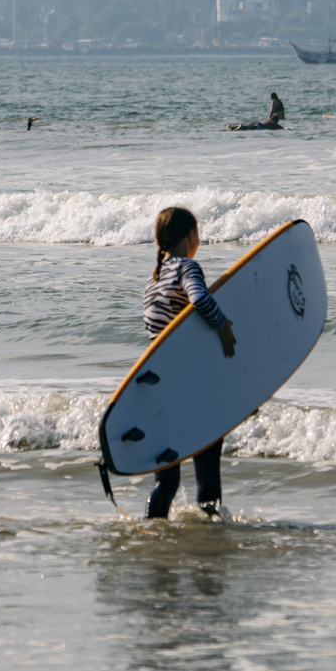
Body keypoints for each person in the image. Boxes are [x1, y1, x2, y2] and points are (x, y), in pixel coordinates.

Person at [141, 206, 237, 520]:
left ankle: (151, 531)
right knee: (207, 468)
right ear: (191, 235)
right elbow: (200, 300)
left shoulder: (152, 282)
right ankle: (210, 531)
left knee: (166, 480)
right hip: (191, 385)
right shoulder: (187, 267)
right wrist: (223, 327)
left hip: (158, 387)